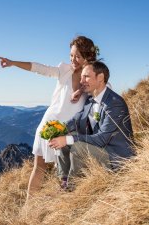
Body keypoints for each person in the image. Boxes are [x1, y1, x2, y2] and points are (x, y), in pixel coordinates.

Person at [0, 36, 99, 199]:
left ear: (88, 57)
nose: (73, 60)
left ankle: (61, 204)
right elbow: (40, 68)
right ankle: (28, 207)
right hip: (49, 124)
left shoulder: (93, 76)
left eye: (78, 56)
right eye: (71, 55)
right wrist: (13, 63)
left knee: (66, 169)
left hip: (69, 130)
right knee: (39, 167)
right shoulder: (64, 70)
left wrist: (81, 90)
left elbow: (103, 89)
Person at [49, 61, 134, 190]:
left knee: (76, 146)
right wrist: (59, 130)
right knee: (64, 138)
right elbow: (77, 120)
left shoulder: (114, 104)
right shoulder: (90, 99)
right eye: (82, 77)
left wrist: (67, 139)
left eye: (86, 77)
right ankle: (64, 180)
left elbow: (101, 139)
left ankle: (72, 187)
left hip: (116, 158)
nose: (82, 80)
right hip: (100, 149)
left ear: (100, 78)